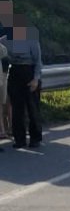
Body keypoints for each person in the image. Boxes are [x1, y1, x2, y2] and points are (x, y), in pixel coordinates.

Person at [2, 18, 43, 149]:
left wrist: (36, 79)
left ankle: (35, 138)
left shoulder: (32, 40)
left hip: (29, 71)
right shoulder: (6, 40)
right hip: (14, 71)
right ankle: (19, 139)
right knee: (17, 109)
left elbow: (38, 61)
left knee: (33, 108)